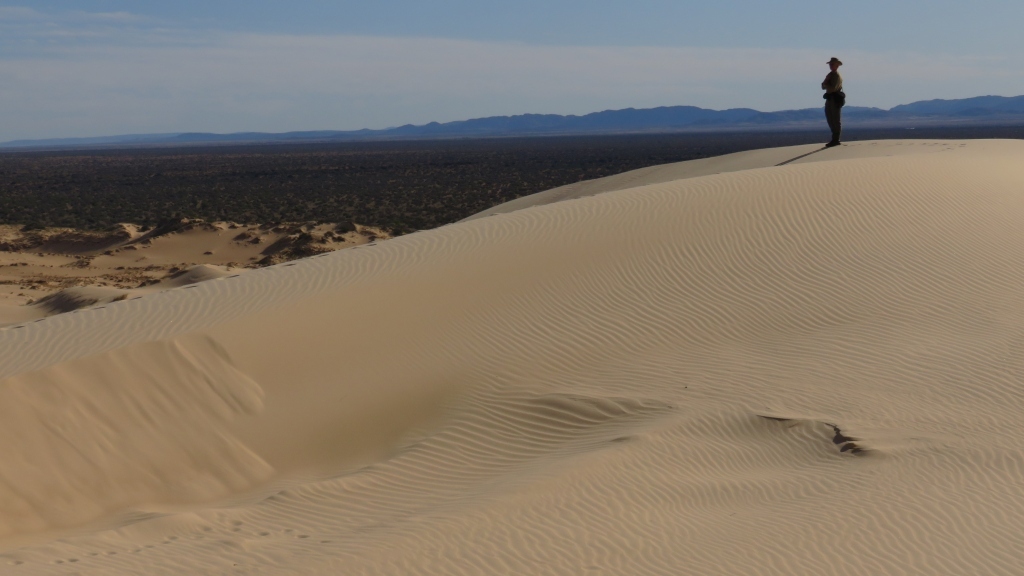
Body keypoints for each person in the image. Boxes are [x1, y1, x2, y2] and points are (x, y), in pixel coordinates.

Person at [821, 57, 844, 147]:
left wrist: (826, 84)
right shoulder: (830, 74)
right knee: (830, 118)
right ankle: (834, 138)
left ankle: (836, 139)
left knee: (835, 119)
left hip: (835, 99)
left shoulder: (837, 76)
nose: (831, 66)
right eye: (830, 64)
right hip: (829, 98)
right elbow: (823, 86)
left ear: (837, 65)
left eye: (832, 64)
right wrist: (826, 82)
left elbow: (832, 88)